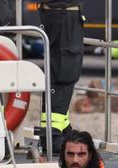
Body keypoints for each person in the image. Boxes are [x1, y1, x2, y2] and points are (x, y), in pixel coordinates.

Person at [36, 0, 82, 154]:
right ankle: (52, 134)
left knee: (62, 70)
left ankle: (60, 128)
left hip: (60, 11)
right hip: (61, 11)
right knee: (63, 70)